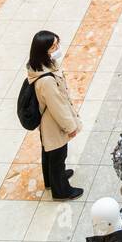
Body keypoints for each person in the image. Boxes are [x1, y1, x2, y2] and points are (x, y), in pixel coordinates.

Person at [25, 30, 83, 200]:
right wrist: (70, 127)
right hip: (53, 122)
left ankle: (51, 180)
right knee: (58, 154)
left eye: (57, 44)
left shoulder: (38, 66)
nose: (57, 48)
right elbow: (57, 107)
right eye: (53, 47)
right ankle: (61, 190)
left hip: (47, 122)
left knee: (48, 151)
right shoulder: (47, 81)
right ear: (43, 51)